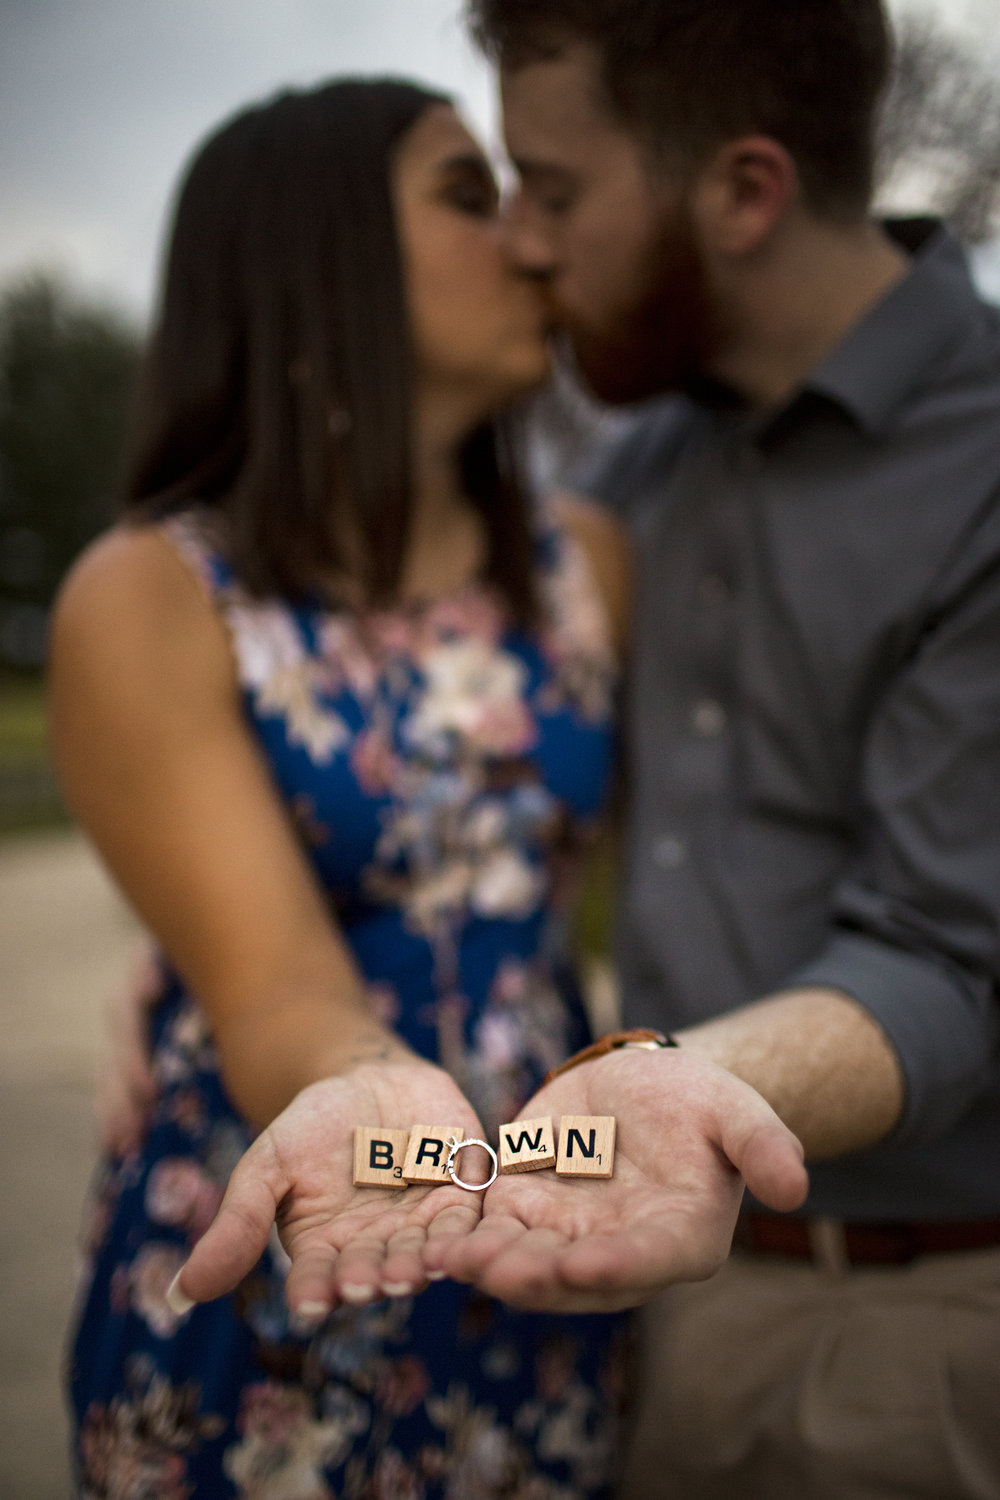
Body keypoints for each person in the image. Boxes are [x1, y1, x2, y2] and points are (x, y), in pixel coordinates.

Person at [423, 1, 1000, 1496]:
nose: (527, 244)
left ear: (743, 191)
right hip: (660, 1304)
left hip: (927, 1327)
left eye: (555, 191)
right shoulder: (645, 456)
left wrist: (682, 1087)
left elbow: (955, 949)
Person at [50, 75, 644, 1498]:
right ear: (314, 261)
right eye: (466, 194)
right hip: (279, 1260)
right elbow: (269, 987)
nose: (530, 241)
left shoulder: (588, 563)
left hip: (550, 1262)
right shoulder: (155, 594)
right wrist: (376, 1094)